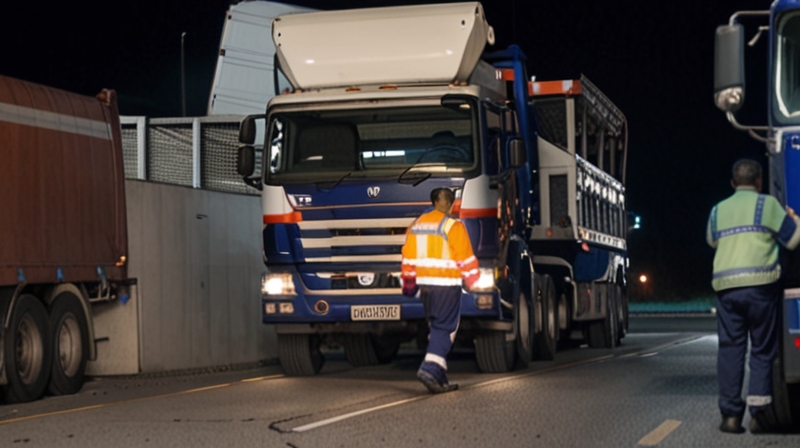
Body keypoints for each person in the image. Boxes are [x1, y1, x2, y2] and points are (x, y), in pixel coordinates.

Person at [706, 159, 800, 434]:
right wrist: (793, 219)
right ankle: (759, 416)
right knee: (761, 350)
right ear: (759, 182)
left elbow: (711, 240)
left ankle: (731, 417)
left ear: (733, 182)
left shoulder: (718, 209)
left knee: (730, 349)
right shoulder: (768, 205)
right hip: (761, 287)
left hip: (726, 289)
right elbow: (793, 240)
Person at [401, 187, 479, 393]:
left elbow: (407, 256)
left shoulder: (417, 225)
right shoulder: (453, 226)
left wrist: (409, 283)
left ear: (433, 201)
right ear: (452, 203)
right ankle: (429, 369)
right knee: (445, 329)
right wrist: (473, 281)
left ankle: (441, 379)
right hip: (446, 285)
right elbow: (466, 258)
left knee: (436, 327)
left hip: (425, 287)